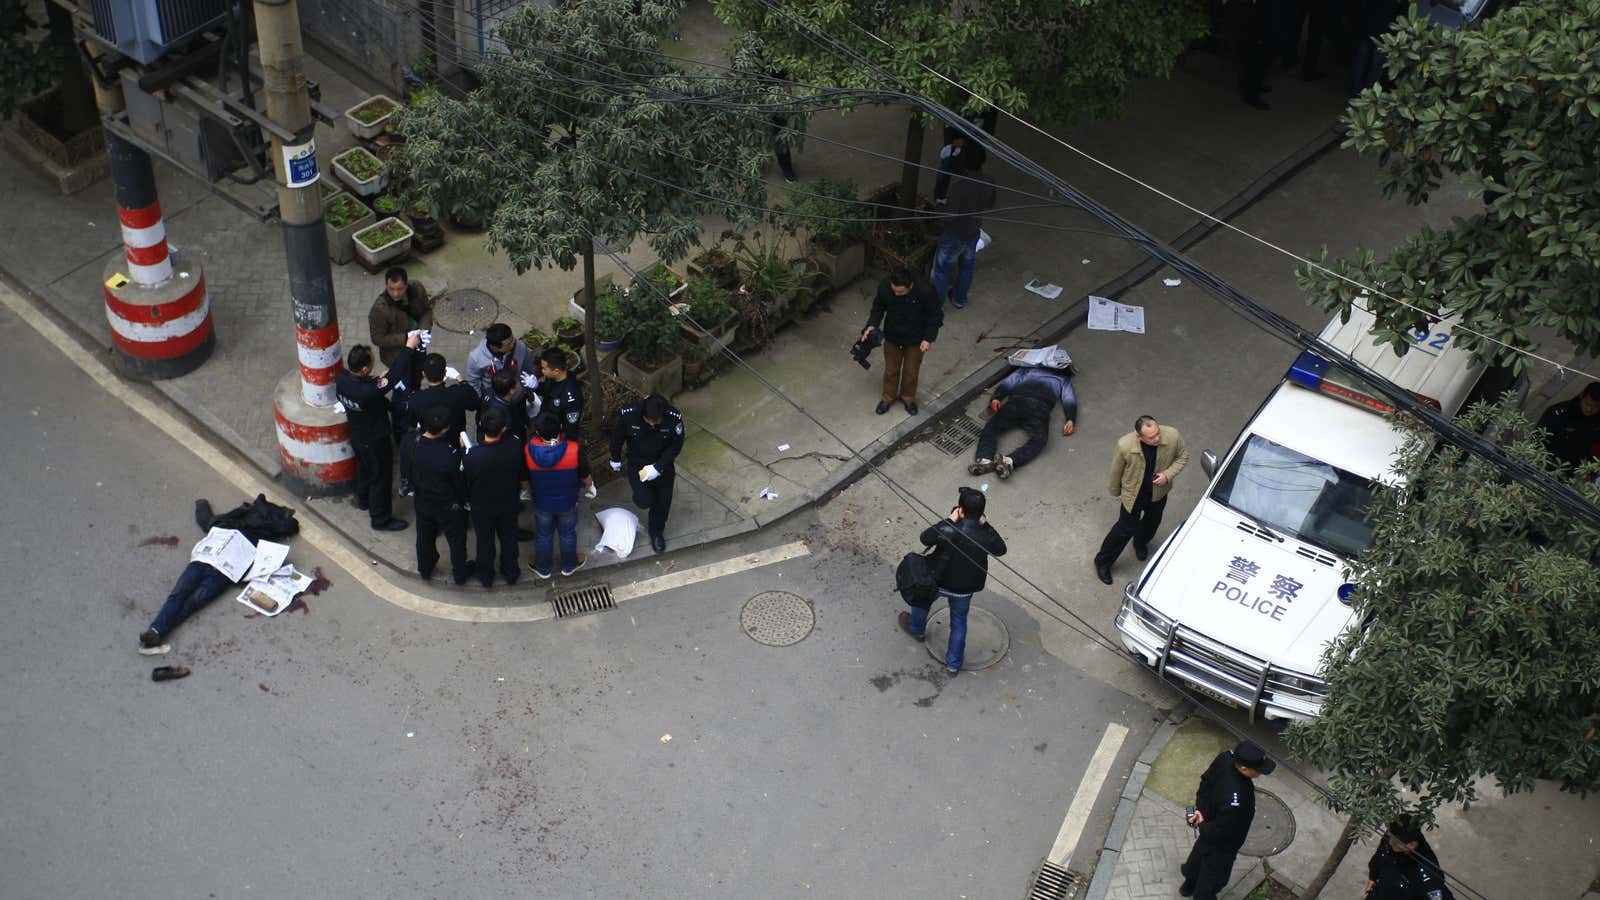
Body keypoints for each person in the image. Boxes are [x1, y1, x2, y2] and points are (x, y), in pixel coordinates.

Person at [898, 487, 1007, 675]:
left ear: (961, 510)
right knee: (959, 621)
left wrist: (949, 520)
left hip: (938, 580)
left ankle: (917, 629)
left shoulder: (949, 528)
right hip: (965, 588)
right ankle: (953, 663)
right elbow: (1000, 549)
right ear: (981, 513)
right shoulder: (984, 534)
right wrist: (986, 525)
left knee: (922, 601)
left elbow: (925, 538)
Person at [1094, 415, 1189, 585]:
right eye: (1152, 437)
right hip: (1134, 494)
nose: (1157, 438)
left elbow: (1182, 457)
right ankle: (1102, 562)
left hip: (1158, 492)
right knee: (1123, 530)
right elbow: (1116, 470)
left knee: (1152, 523)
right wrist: (1115, 491)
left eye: (1158, 433)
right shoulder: (1125, 445)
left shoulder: (1173, 436)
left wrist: (1167, 475)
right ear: (1139, 436)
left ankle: (1140, 542)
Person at [1180, 740, 1276, 900]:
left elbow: (1206, 781)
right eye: (1258, 769)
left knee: (1197, 858)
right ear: (1244, 768)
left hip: (1208, 823)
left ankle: (1188, 886)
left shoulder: (1225, 758)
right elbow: (1221, 832)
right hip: (1223, 845)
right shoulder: (1237, 800)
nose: (1259, 773)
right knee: (1212, 880)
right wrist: (1202, 823)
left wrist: (1200, 812)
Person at [335, 344, 407, 531]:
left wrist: (375, 381)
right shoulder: (368, 391)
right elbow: (395, 376)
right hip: (375, 440)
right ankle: (380, 519)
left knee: (365, 469)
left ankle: (363, 499)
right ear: (364, 369)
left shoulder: (342, 379)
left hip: (357, 435)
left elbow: (373, 387)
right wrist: (408, 348)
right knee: (380, 477)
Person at [970, 365, 1078, 480]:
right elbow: (1069, 398)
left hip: (1018, 402)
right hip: (1039, 408)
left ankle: (986, 460)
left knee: (992, 427)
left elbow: (1009, 382)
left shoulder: (1028, 369)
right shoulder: (1062, 378)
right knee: (1040, 440)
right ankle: (1008, 462)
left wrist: (997, 397)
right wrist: (1071, 419)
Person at [609, 393, 685, 553]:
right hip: (637, 464)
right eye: (648, 420)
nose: (651, 424)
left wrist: (658, 467)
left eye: (655, 421)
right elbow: (617, 437)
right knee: (644, 500)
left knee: (662, 503)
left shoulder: (673, 418)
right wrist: (615, 457)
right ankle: (643, 497)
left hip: (662, 466)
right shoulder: (629, 415)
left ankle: (656, 533)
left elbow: (675, 446)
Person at [863, 267, 943, 416]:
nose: (896, 294)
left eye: (900, 292)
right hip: (893, 335)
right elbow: (878, 308)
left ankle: (908, 398)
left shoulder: (926, 291)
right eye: (894, 290)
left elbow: (935, 315)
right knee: (891, 370)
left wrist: (928, 338)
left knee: (911, 372)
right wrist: (871, 325)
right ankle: (888, 397)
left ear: (910, 285)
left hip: (916, 339)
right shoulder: (885, 287)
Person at [463, 409, 527, 587]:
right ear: (504, 428)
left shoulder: (473, 456)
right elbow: (522, 475)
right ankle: (511, 572)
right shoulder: (514, 447)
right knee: (509, 538)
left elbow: (466, 480)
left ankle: (486, 576)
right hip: (508, 502)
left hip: (482, 506)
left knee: (484, 541)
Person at [526, 412, 594, 578]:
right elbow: (585, 475)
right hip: (568, 501)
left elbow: (523, 477)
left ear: (537, 432)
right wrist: (590, 486)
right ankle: (569, 565)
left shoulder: (528, 450)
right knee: (568, 533)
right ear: (561, 428)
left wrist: (526, 490)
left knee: (544, 534)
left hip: (542, 502)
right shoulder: (574, 449)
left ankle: (543, 568)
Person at [929, 144, 995, 310]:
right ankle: (959, 299)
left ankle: (935, 306)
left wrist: (939, 208)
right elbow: (989, 204)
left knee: (940, 270)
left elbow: (949, 216)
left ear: (964, 163)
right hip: (973, 231)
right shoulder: (989, 182)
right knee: (967, 265)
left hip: (954, 235)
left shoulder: (959, 187)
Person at [410, 408, 473, 584]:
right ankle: (460, 573)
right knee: (456, 539)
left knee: (424, 535)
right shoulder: (449, 454)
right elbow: (458, 482)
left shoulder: (413, 444)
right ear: (444, 430)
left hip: (422, 499)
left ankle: (425, 567)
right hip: (447, 504)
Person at [1366, 816, 1454, 900]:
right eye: (1390, 837)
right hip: (1380, 891)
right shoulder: (1394, 835)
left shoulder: (1426, 874)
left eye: (1396, 842)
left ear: (1412, 845)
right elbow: (1380, 854)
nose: (1390, 843)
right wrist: (1373, 876)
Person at [406, 352, 481, 444]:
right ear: (445, 373)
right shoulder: (458, 392)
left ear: (424, 374)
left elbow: (411, 423)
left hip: (430, 443)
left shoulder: (416, 399)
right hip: (455, 441)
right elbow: (475, 403)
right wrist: (461, 380)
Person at [368, 266, 434, 367]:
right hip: (397, 357)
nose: (396, 294)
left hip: (419, 346)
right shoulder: (379, 310)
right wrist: (407, 338)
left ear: (406, 285)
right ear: (386, 285)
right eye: (391, 289)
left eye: (400, 289)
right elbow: (377, 338)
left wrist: (423, 330)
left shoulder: (417, 289)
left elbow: (426, 311)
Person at [1536, 381, 1600, 471]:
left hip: (1572, 469)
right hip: (1544, 463)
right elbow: (1537, 438)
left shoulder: (1597, 421)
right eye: (1587, 404)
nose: (1589, 409)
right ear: (1582, 397)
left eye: (1595, 407)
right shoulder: (1559, 413)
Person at [466, 322, 537, 400]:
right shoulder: (475, 358)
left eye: (512, 339)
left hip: (517, 394)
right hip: (494, 399)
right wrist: (482, 400)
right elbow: (473, 382)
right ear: (495, 347)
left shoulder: (520, 347)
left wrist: (530, 390)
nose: (513, 345)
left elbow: (529, 367)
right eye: (508, 344)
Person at [480, 368, 538, 448]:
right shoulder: (505, 418)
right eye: (517, 382)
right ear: (512, 391)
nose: (519, 383)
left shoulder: (488, 392)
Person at [537, 346, 584, 441]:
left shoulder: (571, 398)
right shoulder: (552, 377)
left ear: (556, 371)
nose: (542, 371)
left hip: (556, 434)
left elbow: (571, 428)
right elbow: (547, 392)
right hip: (545, 422)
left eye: (544, 368)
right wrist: (536, 386)